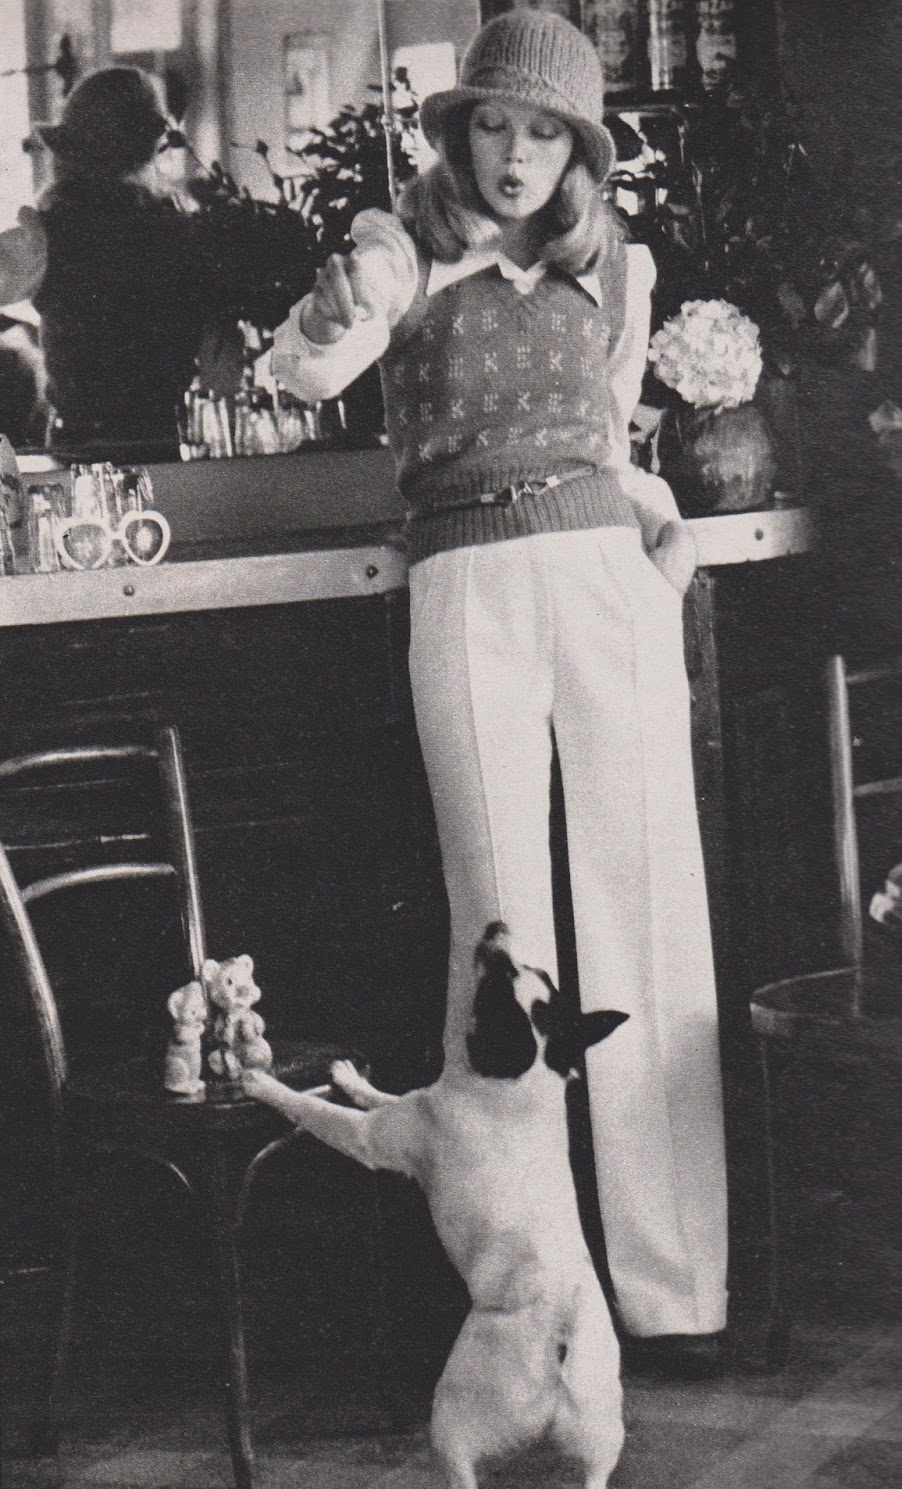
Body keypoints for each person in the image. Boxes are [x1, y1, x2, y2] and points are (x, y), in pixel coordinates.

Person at [271, 9, 727, 1371]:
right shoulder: (400, 247)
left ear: (578, 150)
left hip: (602, 585)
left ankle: (676, 1295)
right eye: (491, 124)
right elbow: (306, 368)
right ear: (458, 132)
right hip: (464, 589)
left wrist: (657, 546)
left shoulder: (619, 268)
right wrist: (331, 309)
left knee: (648, 916)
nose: (514, 155)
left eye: (540, 132)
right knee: (498, 944)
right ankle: (529, 1288)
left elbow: (615, 437)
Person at [0, 66, 310, 462]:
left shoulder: (48, 233)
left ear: (71, 154)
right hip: (167, 442)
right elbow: (223, 361)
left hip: (82, 445)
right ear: (153, 149)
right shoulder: (186, 231)